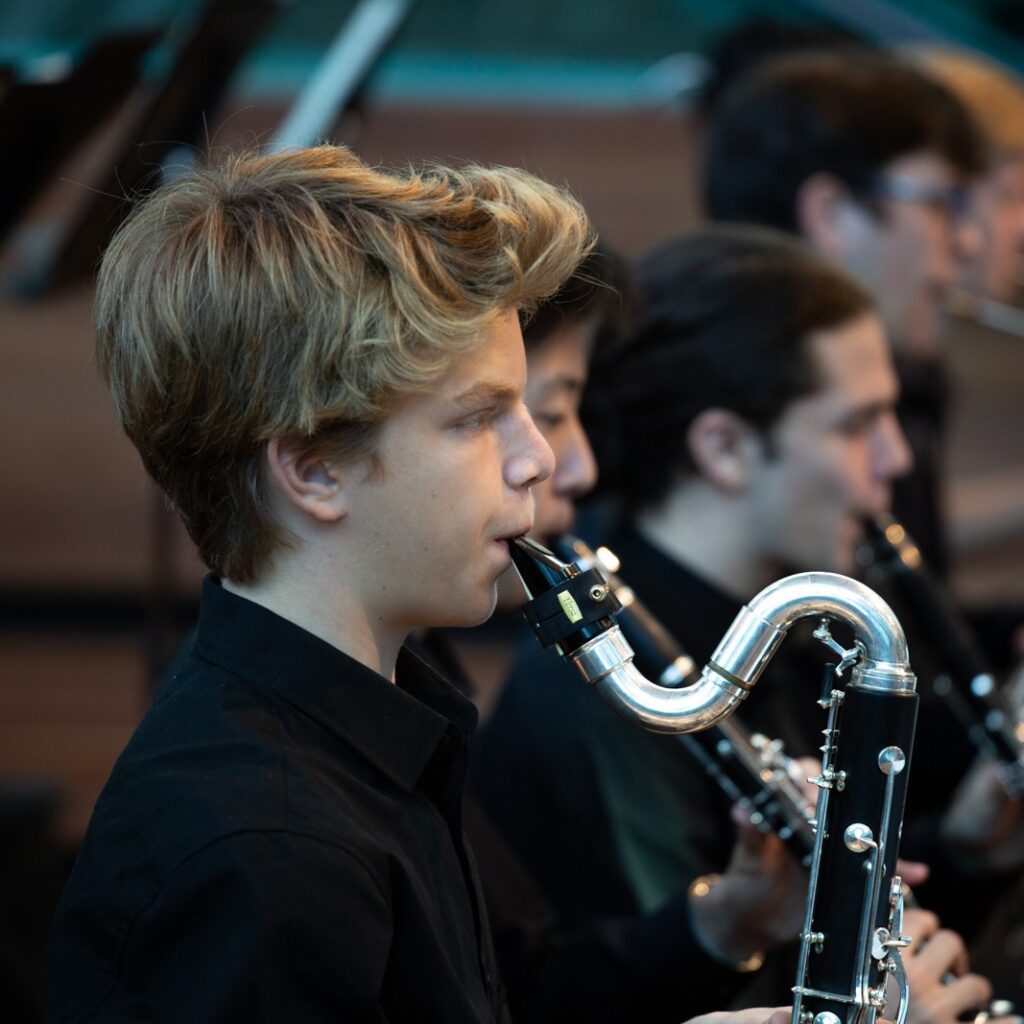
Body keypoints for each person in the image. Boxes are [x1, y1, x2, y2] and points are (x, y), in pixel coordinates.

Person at [44, 144, 592, 1022]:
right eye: (481, 417)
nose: (540, 459)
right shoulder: (268, 848)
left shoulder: (370, 729)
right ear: (313, 470)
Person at [477, 224, 1001, 1020]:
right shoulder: (596, 696)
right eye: (857, 424)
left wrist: (962, 850)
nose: (895, 458)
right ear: (724, 448)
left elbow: (799, 923)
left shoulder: (786, 630)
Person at [703, 48, 986, 580]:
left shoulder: (911, 385)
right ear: (831, 213)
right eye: (940, 203)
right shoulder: (768, 403)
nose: (969, 240)